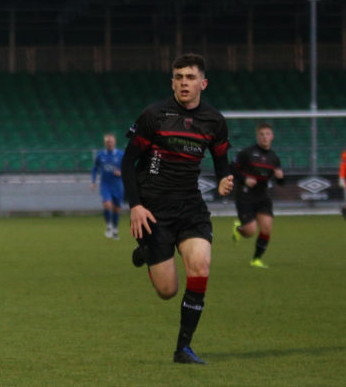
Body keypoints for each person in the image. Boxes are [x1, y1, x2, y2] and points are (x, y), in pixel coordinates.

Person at [121, 53, 233, 365]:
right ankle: (147, 252)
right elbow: (128, 162)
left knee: (200, 265)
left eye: (190, 77)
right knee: (167, 290)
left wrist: (225, 180)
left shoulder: (214, 122)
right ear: (172, 82)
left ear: (203, 83)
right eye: (179, 77)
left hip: (191, 207)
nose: (184, 82)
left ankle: (183, 348)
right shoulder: (154, 115)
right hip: (153, 209)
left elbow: (222, 163)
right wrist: (135, 206)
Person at [230, 122, 284, 268]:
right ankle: (239, 228)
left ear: (272, 136)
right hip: (245, 195)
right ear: (257, 136)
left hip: (262, 195)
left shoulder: (274, 157)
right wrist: (245, 179)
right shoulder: (247, 153)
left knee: (266, 228)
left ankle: (256, 259)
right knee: (250, 231)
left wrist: (280, 177)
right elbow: (231, 167)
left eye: (267, 134)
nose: (264, 137)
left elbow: (281, 182)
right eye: (261, 134)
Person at [90, 132, 124, 239]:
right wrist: (93, 181)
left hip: (118, 185)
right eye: (107, 142)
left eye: (111, 141)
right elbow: (95, 168)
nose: (109, 143)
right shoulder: (100, 155)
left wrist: (121, 173)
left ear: (115, 142)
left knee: (117, 209)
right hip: (105, 185)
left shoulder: (121, 154)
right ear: (105, 143)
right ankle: (109, 225)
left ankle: (115, 229)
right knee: (107, 205)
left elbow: (129, 168)